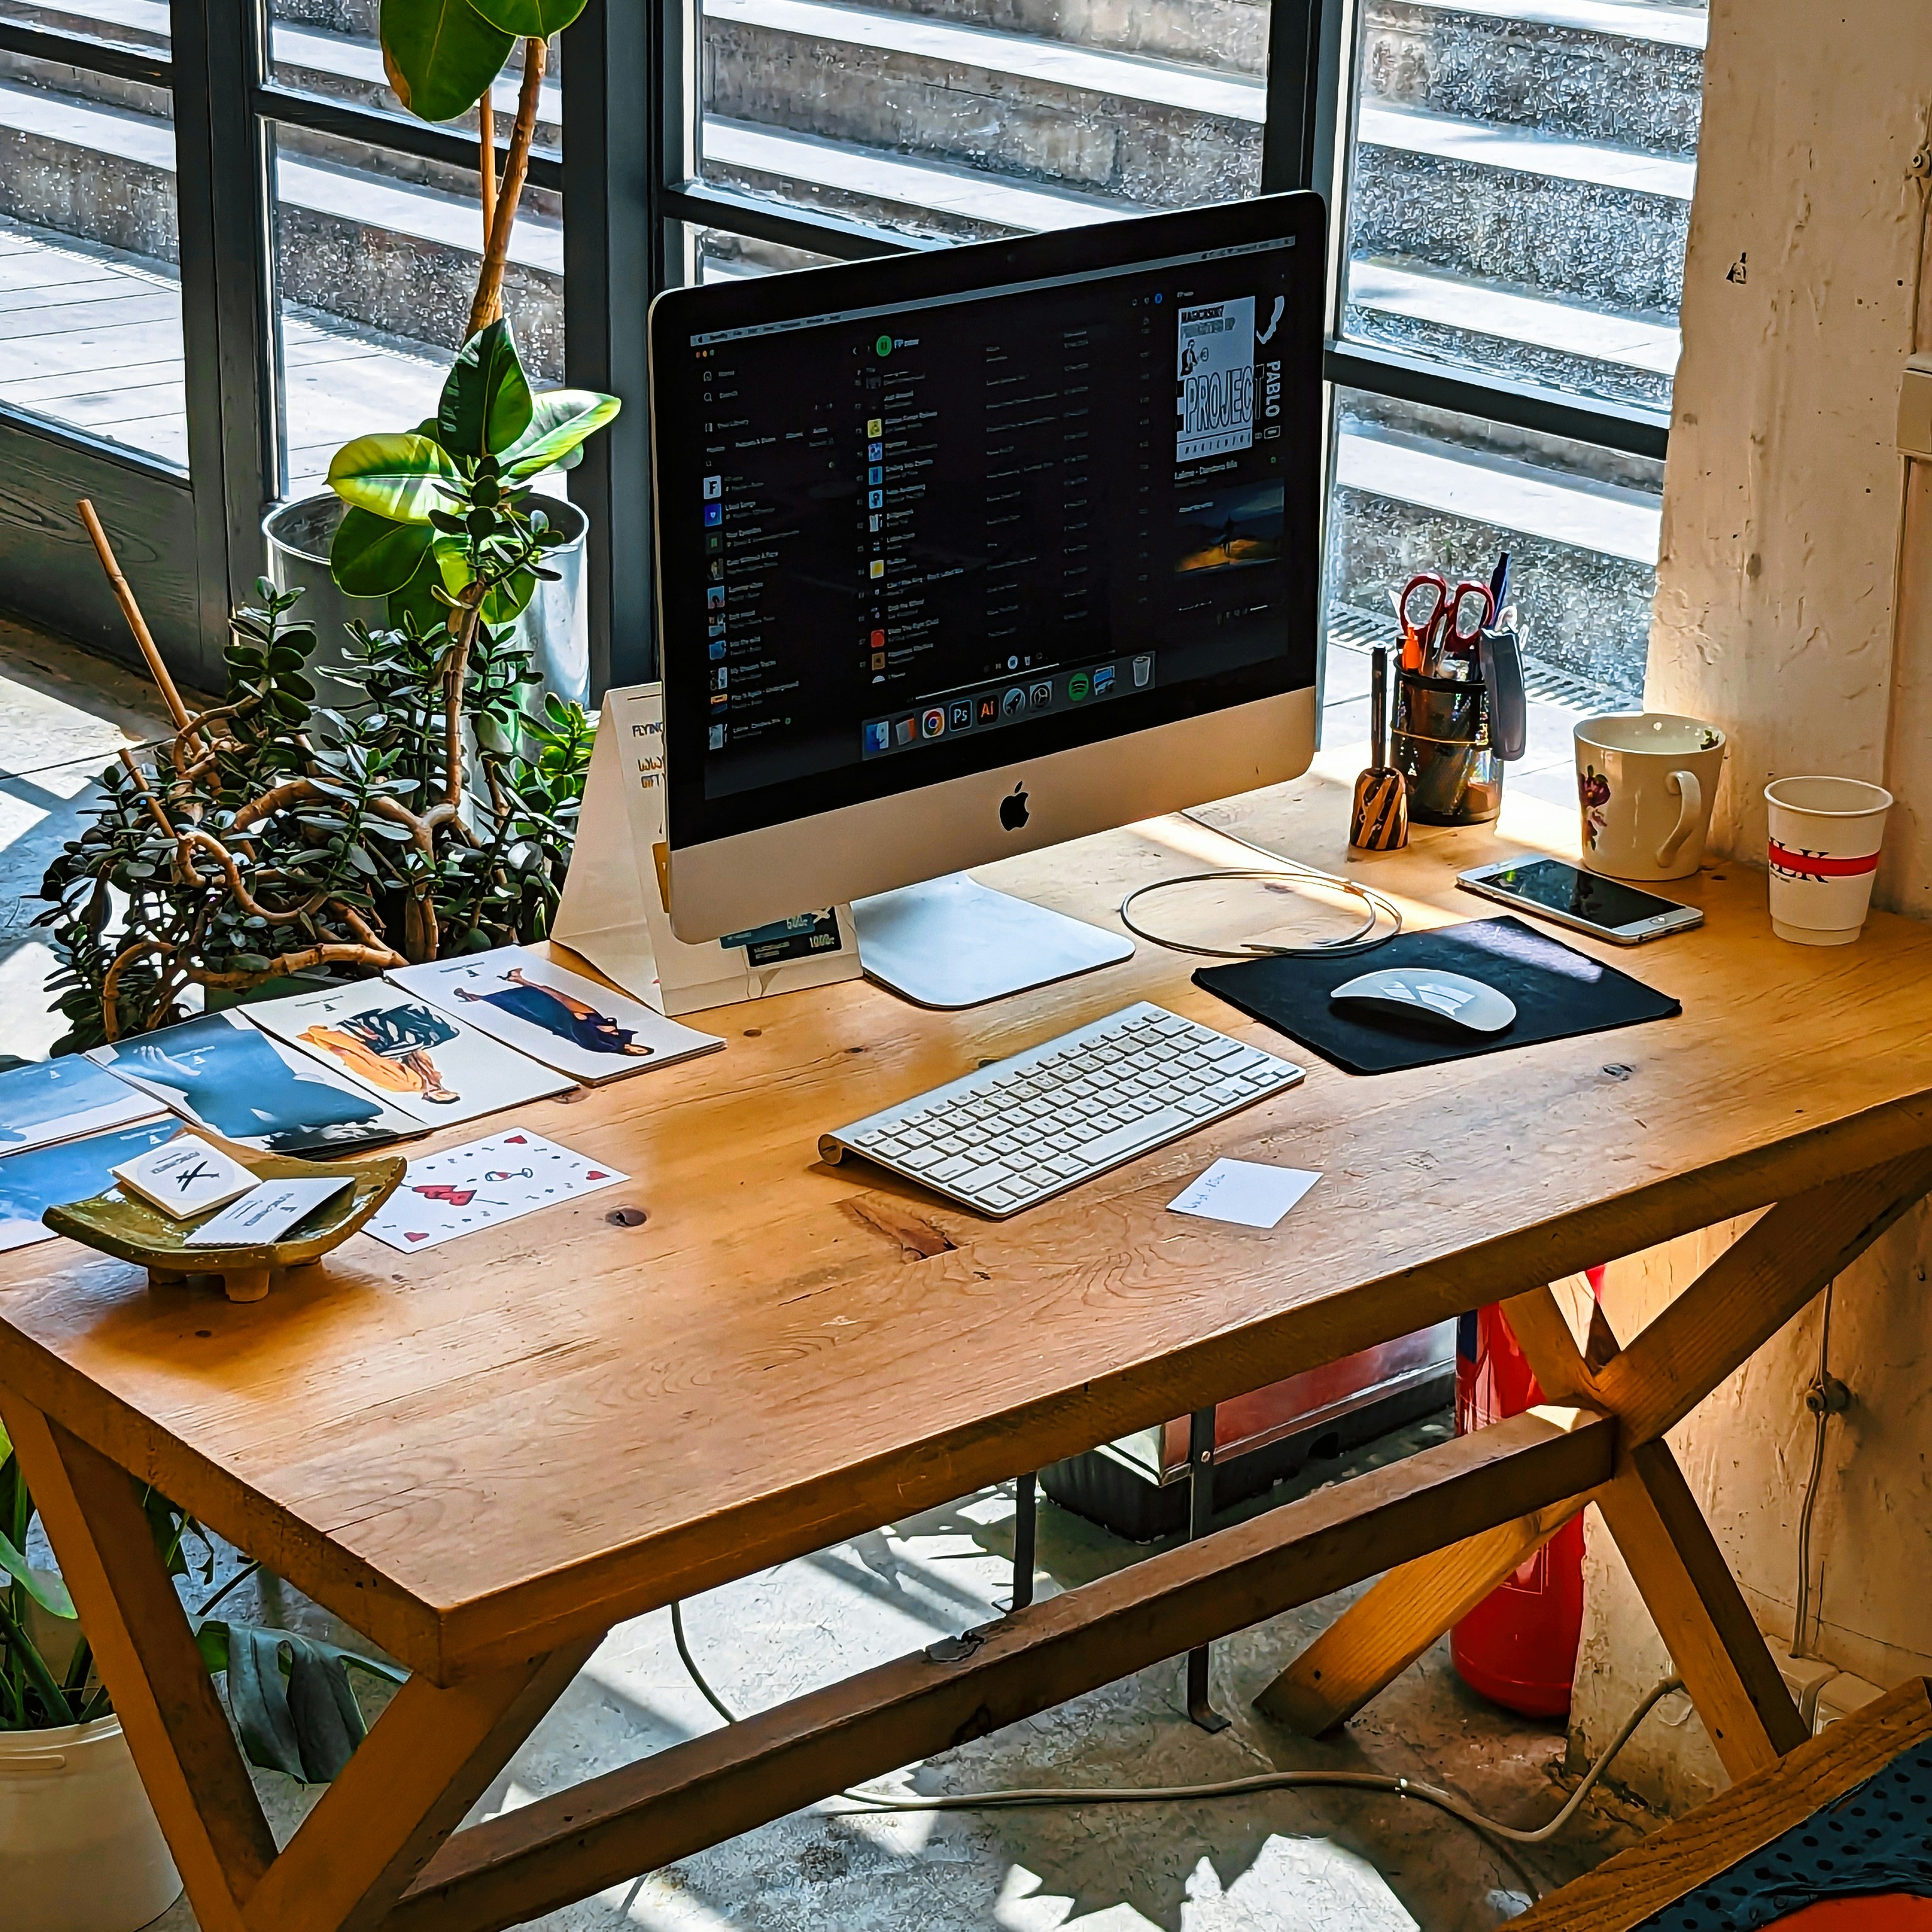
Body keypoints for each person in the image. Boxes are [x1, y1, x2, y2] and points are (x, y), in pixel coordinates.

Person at [452, 967, 652, 1058]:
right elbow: (615, 1029)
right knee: (558, 994)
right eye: (641, 1049)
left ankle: (477, 996)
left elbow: (588, 1041)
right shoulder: (624, 1041)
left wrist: (580, 1023)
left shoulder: (609, 1048)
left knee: (538, 1003)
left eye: (637, 1053)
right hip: (593, 1018)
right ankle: (518, 979)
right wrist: (609, 1026)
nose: (636, 1049)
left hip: (570, 1023)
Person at [299, 1002, 462, 1104]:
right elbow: (417, 1054)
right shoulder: (431, 1075)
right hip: (391, 1047)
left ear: (427, 1096)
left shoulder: (403, 1085)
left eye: (438, 1094)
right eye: (445, 1091)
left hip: (371, 1051)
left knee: (428, 1038)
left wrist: (344, 1053)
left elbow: (368, 1070)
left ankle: (373, 1024)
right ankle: (397, 1017)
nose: (440, 1089)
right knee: (443, 1034)